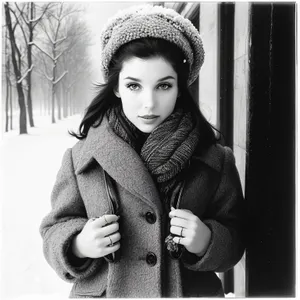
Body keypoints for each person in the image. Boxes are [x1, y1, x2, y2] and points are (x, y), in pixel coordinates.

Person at [40, 4, 246, 298]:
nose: (148, 103)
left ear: (180, 88)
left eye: (163, 86)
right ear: (116, 88)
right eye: (134, 86)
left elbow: (236, 239)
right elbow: (54, 228)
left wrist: (207, 240)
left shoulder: (215, 160)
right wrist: (78, 244)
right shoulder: (81, 158)